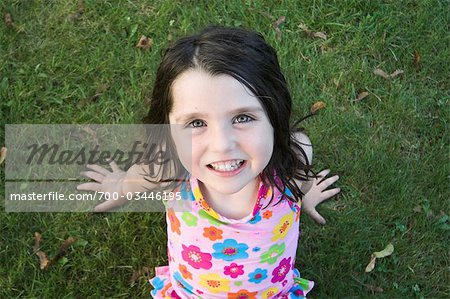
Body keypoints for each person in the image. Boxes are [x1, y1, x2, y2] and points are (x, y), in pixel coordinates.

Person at [78, 26, 340, 299]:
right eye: (196, 123)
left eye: (242, 118)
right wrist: (118, 188)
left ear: (274, 115)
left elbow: (302, 179)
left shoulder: (291, 165)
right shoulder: (169, 171)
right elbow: (137, 179)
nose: (222, 145)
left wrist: (304, 196)